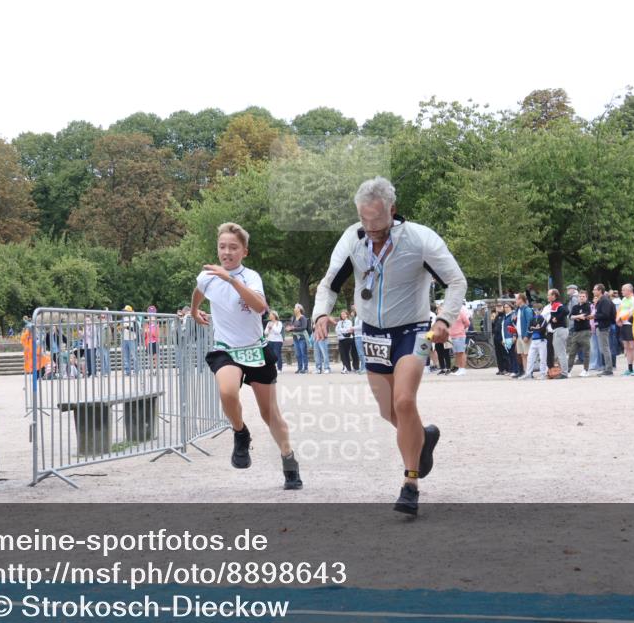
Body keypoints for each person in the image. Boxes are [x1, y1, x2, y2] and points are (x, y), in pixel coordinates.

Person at [313, 176, 466, 515]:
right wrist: (320, 313)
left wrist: (444, 318)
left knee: (404, 400)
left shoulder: (419, 239)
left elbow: (456, 280)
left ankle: (410, 484)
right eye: (364, 220)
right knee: (389, 411)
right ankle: (422, 437)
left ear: (392, 210)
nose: (371, 228)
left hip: (415, 331)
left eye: (378, 221)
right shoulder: (352, 239)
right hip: (372, 333)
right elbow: (329, 284)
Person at [191, 222, 302, 490]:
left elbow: (260, 306)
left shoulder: (251, 277)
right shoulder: (207, 276)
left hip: (255, 350)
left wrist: (230, 279)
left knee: (270, 414)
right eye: (222, 247)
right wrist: (194, 310)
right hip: (226, 349)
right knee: (227, 391)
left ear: (244, 252)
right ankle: (240, 432)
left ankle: (288, 459)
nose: (226, 252)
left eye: (233, 247)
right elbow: (198, 291)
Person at [590, 284, 615, 375]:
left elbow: (605, 314)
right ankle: (607, 368)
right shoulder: (601, 300)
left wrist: (594, 316)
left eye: (594, 289)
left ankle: (609, 369)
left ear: (600, 291)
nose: (593, 291)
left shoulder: (604, 300)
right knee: (602, 349)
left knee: (605, 348)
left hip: (604, 327)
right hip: (600, 326)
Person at [567, 290, 592, 376]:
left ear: (586, 297)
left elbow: (585, 316)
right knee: (572, 352)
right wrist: (578, 316)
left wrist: (576, 316)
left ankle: (585, 370)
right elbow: (570, 316)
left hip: (585, 331)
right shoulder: (575, 307)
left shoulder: (588, 306)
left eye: (583, 296)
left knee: (586, 352)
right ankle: (568, 370)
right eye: (580, 296)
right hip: (576, 332)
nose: (581, 298)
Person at [616, 284, 634, 376]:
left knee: (633, 346)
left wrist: (622, 318)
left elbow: (632, 311)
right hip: (623, 325)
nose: (622, 291)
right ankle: (629, 368)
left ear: (629, 290)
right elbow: (619, 310)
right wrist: (617, 320)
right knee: (626, 346)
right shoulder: (623, 299)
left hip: (631, 324)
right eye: (622, 290)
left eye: (624, 290)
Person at [545, 289, 570, 378]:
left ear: (554, 296)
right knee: (559, 352)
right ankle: (563, 372)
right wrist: (552, 319)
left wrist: (557, 318)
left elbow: (566, 311)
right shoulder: (554, 305)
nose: (547, 296)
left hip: (560, 330)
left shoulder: (557, 304)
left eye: (549, 295)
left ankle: (564, 373)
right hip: (558, 330)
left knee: (561, 352)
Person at [522, 307, 548, 379]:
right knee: (530, 358)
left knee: (542, 358)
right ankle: (528, 374)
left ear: (541, 310)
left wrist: (534, 328)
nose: (537, 311)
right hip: (533, 340)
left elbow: (542, 328)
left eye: (538, 309)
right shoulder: (532, 319)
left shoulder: (543, 318)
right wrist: (535, 328)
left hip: (542, 340)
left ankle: (543, 374)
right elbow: (529, 329)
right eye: (535, 310)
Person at [514, 293, 534, 377]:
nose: (515, 301)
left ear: (521, 300)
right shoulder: (518, 310)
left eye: (516, 299)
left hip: (525, 336)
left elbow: (530, 323)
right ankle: (526, 372)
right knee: (522, 355)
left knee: (528, 354)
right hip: (519, 336)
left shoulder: (527, 310)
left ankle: (530, 373)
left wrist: (527, 335)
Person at [286, 305, 310, 374]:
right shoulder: (293, 317)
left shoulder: (303, 318)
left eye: (295, 307)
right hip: (295, 338)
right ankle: (299, 368)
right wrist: (289, 329)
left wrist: (294, 328)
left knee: (303, 353)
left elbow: (303, 327)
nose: (294, 309)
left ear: (299, 309)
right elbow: (292, 327)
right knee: (298, 354)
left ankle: (305, 368)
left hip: (302, 337)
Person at [335, 310, 359, 374]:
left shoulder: (349, 322)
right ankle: (346, 367)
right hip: (341, 339)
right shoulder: (339, 322)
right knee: (343, 354)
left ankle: (355, 367)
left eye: (344, 314)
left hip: (348, 339)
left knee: (350, 353)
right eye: (341, 314)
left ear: (347, 315)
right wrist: (342, 331)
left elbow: (348, 330)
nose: (342, 315)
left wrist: (341, 330)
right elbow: (336, 330)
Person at [449, 303, 470, 376]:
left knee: (461, 352)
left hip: (460, 335)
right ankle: (458, 368)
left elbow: (467, 323)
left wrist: (462, 329)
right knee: (456, 353)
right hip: (452, 336)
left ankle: (462, 369)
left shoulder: (460, 313)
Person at [120, 306, 140, 374]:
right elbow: (121, 328)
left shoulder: (134, 318)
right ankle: (127, 371)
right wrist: (120, 329)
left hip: (132, 339)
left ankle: (136, 370)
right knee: (126, 356)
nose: (124, 312)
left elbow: (136, 329)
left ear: (129, 311)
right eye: (124, 311)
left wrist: (127, 327)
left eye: (125, 311)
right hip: (124, 339)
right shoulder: (123, 319)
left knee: (134, 355)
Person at [351, 305, 366, 375]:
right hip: (357, 336)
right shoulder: (357, 316)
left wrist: (352, 328)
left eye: (354, 308)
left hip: (360, 336)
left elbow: (361, 326)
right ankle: (362, 367)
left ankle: (364, 368)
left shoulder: (360, 316)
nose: (353, 309)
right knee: (360, 354)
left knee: (361, 353)